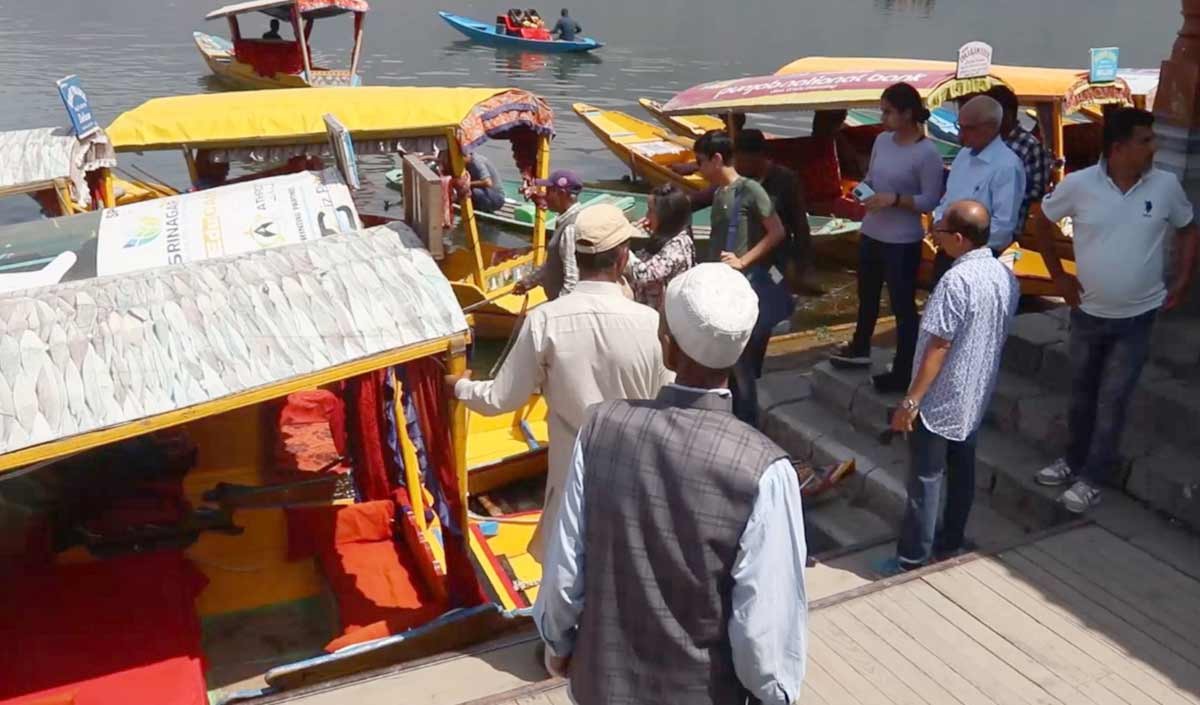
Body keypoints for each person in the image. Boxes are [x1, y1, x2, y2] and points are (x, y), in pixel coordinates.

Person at [535, 262, 807, 705]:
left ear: (668, 348)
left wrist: (558, 645)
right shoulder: (765, 470)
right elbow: (764, 634)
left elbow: (565, 575)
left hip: (601, 687)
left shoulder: (601, 428)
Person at [446, 204, 671, 560]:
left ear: (575, 259)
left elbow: (499, 400)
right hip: (633, 479)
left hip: (572, 482)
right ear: (622, 259)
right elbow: (670, 402)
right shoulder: (650, 322)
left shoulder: (545, 320)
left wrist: (459, 387)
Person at [1034, 108, 1199, 513]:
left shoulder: (1165, 186)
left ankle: (1092, 477)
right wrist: (1059, 277)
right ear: (1118, 147)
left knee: (1112, 398)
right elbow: (1041, 219)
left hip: (1138, 318)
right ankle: (1072, 461)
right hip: (1088, 314)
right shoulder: (1079, 185)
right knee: (1081, 394)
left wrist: (1181, 279)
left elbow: (1189, 227)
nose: (1154, 148)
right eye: (1145, 140)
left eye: (1153, 139)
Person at [875, 200, 1019, 575]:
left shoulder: (956, 281)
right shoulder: (1005, 276)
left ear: (958, 238)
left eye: (938, 230)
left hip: (941, 397)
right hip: (974, 393)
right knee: (962, 474)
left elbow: (939, 345)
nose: (933, 234)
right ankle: (950, 543)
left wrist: (910, 402)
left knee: (925, 478)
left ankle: (911, 557)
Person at [829, 82, 947, 394]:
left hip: (903, 240)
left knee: (902, 305)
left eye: (888, 112)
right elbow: (871, 177)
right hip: (872, 230)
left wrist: (894, 199)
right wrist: (863, 193)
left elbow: (930, 200)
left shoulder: (927, 153)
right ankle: (860, 346)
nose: (882, 118)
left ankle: (904, 366)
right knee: (866, 294)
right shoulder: (882, 140)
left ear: (907, 114)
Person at [694, 129, 789, 427]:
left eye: (700, 162)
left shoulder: (750, 190)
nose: (698, 169)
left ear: (717, 159)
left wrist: (743, 260)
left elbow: (777, 231)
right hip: (720, 287)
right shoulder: (720, 192)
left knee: (742, 365)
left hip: (743, 287)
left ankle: (748, 424)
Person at [931, 95, 1025, 278]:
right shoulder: (963, 156)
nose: (960, 135)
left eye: (968, 128)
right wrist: (938, 224)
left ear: (990, 127)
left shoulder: (1007, 166)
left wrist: (962, 244)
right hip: (947, 250)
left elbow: (1003, 227)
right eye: (960, 126)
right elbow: (948, 198)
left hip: (978, 261)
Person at [734, 128, 817, 294]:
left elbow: (800, 226)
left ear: (760, 156)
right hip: (743, 255)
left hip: (775, 257)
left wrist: (801, 265)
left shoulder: (786, 180)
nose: (740, 167)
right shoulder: (737, 180)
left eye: (745, 162)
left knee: (777, 292)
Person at [987, 84, 1052, 230]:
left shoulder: (1030, 146)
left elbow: (1038, 192)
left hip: (1011, 230)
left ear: (1008, 114)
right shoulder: (984, 142)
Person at [515, 170, 585, 300]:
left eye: (548, 192)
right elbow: (554, 262)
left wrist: (558, 308)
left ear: (561, 193)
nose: (544, 196)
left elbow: (572, 279)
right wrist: (530, 281)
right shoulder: (566, 220)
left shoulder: (570, 228)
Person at [625, 184, 696, 310]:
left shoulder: (679, 244)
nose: (646, 216)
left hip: (665, 317)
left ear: (666, 216)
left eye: (651, 210)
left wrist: (622, 247)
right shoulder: (664, 237)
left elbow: (645, 274)